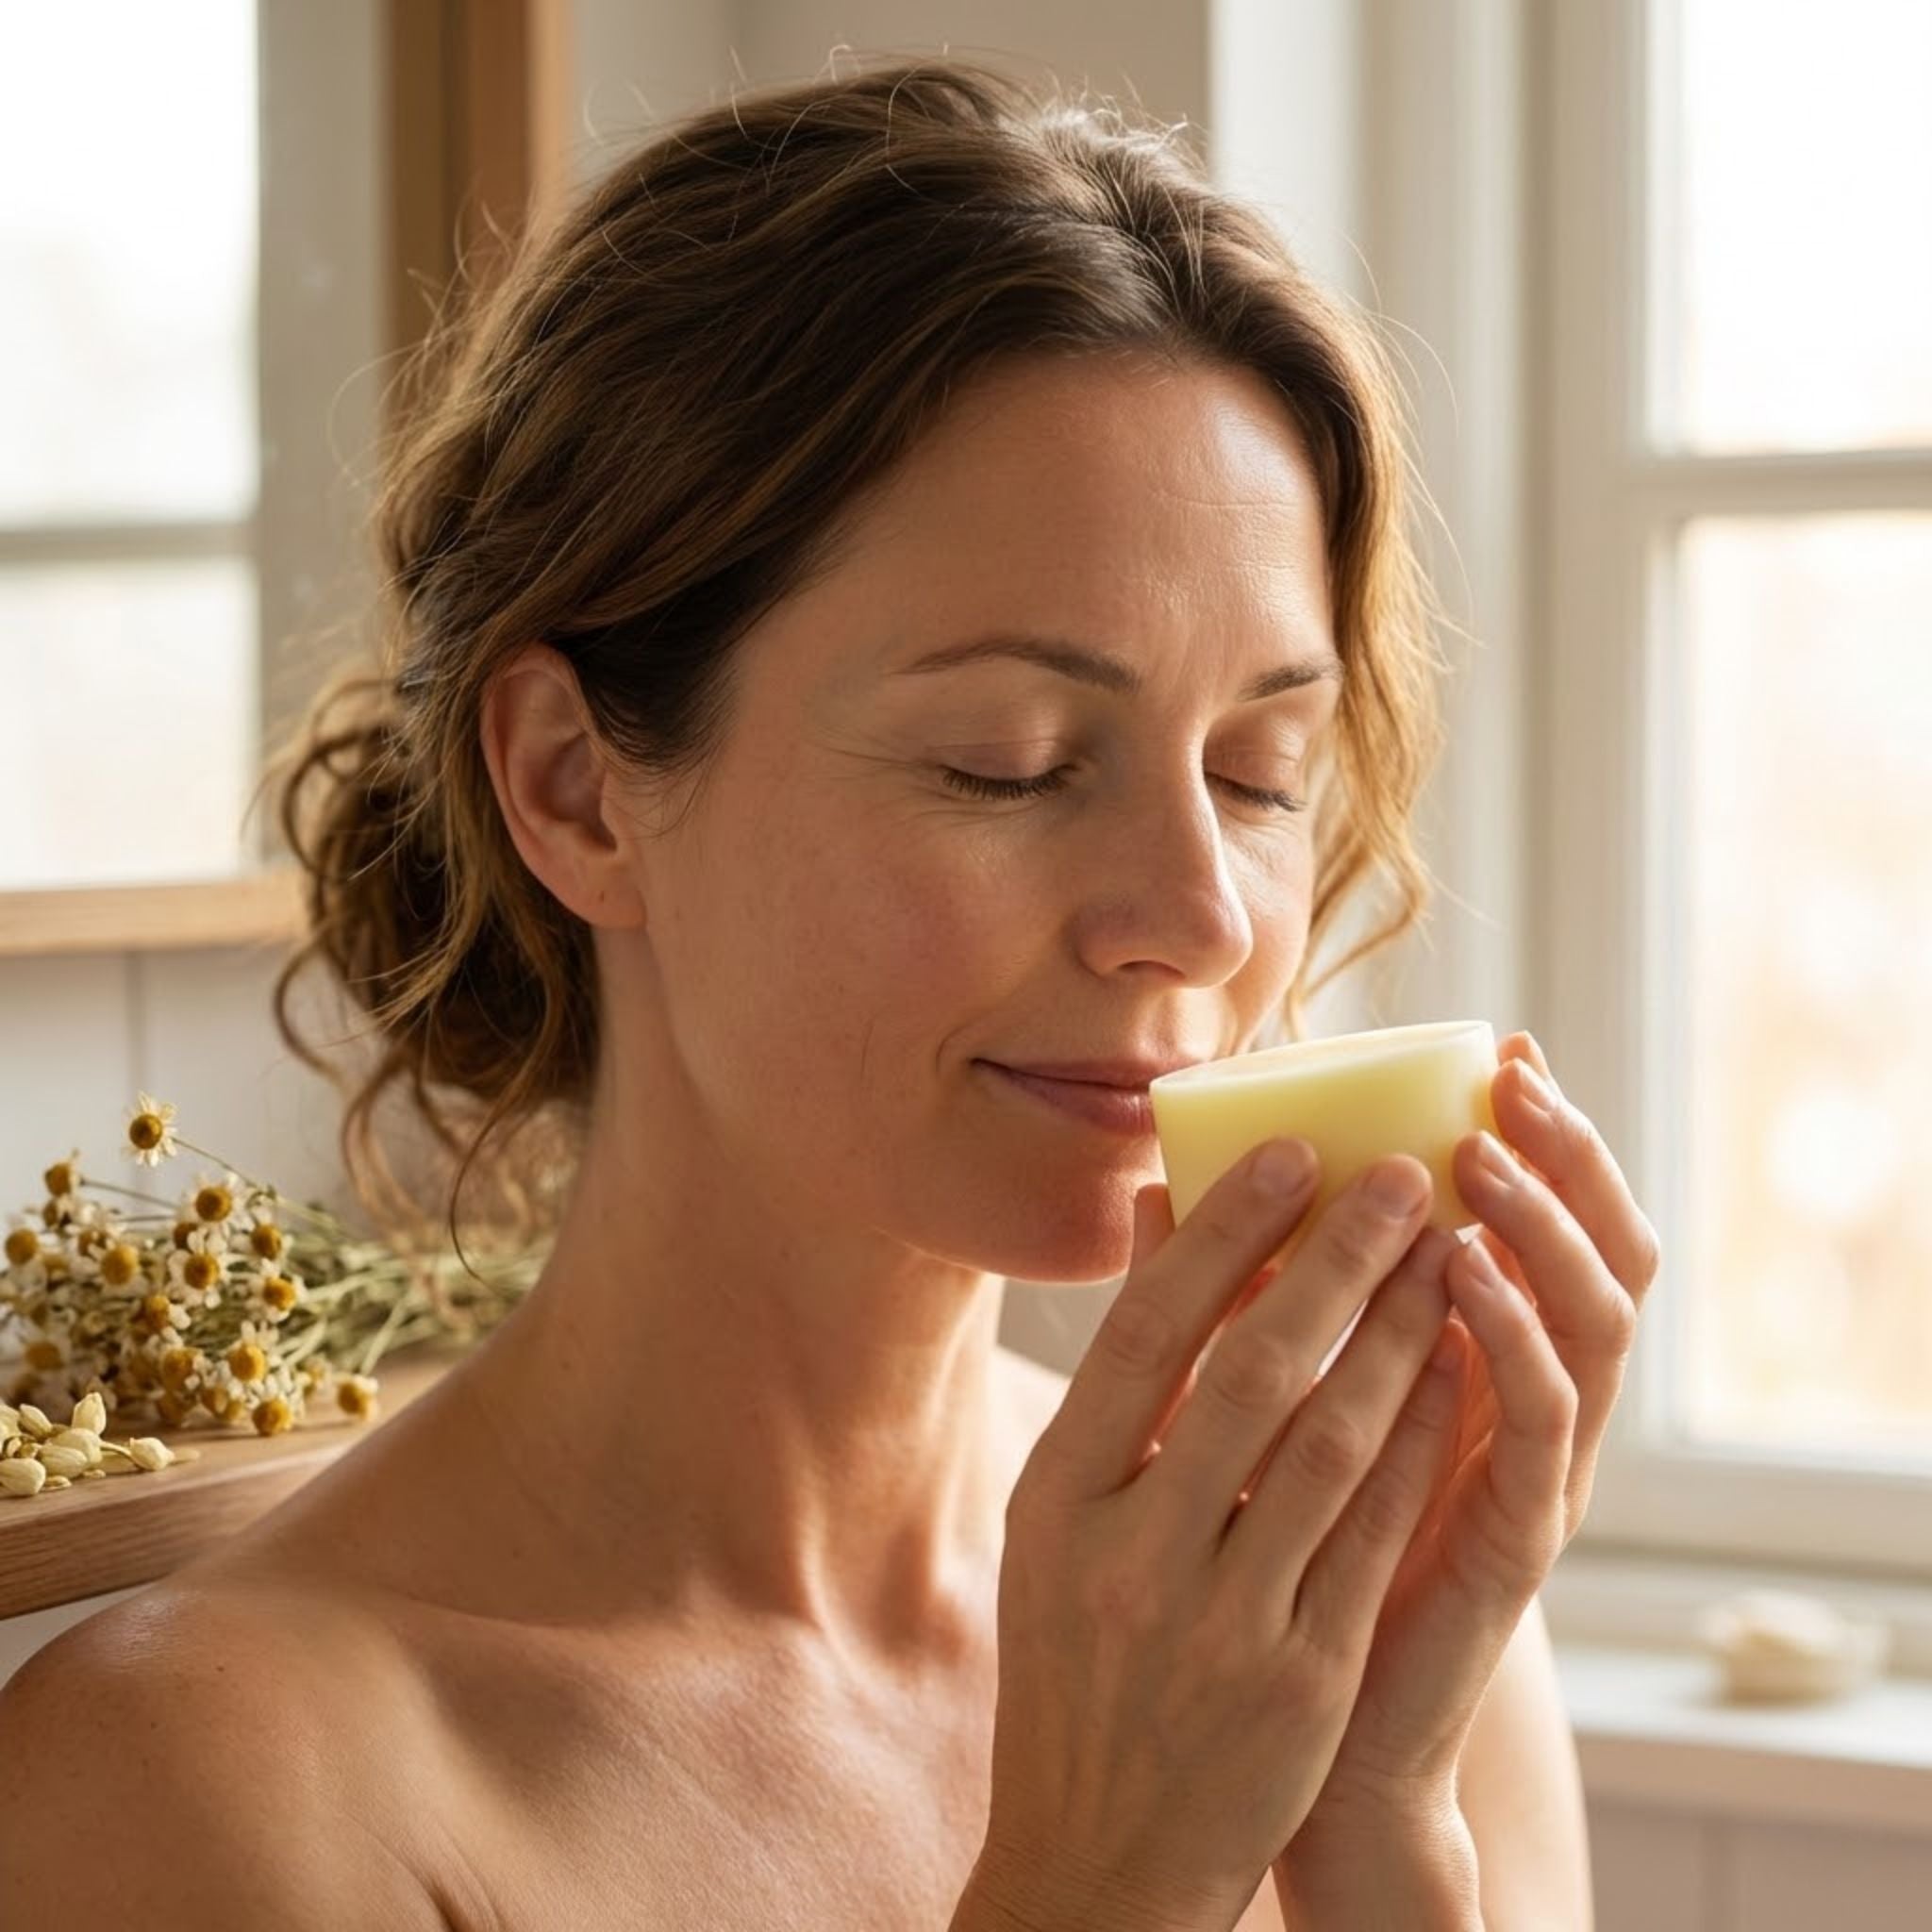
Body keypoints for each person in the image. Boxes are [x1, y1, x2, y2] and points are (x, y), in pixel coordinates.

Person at [0, 54, 1659, 1930]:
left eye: (1262, 775)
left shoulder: (1329, 1637)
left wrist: (1372, 1822)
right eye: (1010, 761)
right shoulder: (210, 1788)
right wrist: (1100, 1883)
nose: (1197, 912)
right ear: (573, 785)